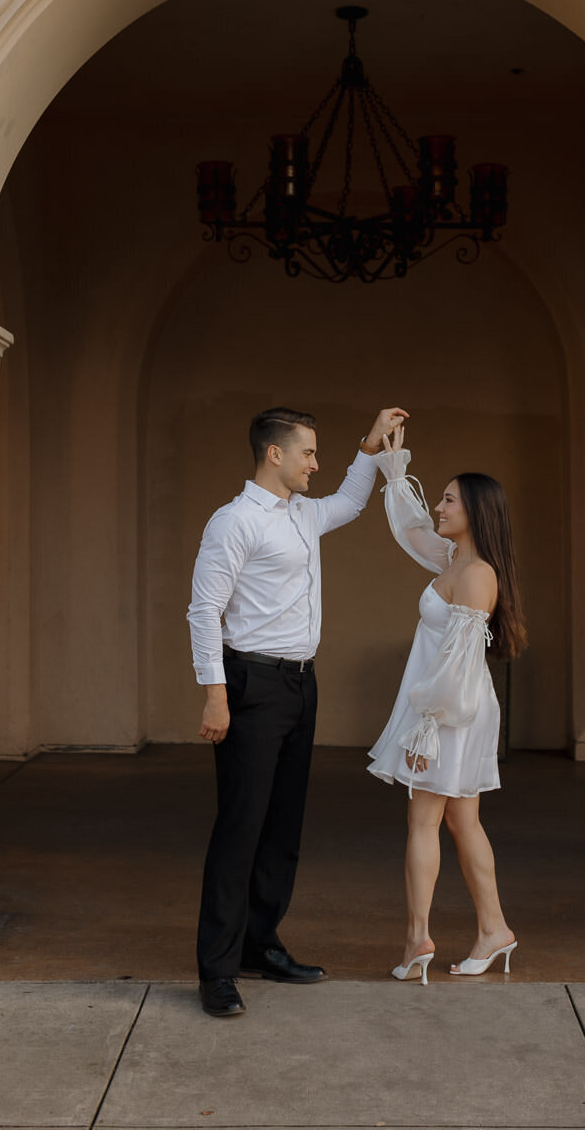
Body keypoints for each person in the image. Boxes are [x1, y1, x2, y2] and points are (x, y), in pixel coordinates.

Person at [188, 402, 409, 1018]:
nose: (317, 462)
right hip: (250, 685)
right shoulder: (233, 522)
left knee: (282, 829)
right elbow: (204, 612)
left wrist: (370, 445)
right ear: (275, 454)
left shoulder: (303, 514)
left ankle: (262, 945)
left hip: (300, 686)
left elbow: (353, 501)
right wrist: (216, 695)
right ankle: (217, 971)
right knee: (240, 829)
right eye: (309, 452)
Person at [368, 426, 526, 983]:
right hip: (444, 707)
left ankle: (417, 940)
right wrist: (390, 463)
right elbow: (410, 529)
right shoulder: (453, 557)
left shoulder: (477, 574)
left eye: (449, 498)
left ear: (476, 512)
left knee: (424, 819)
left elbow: (460, 667)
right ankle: (494, 928)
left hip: (450, 710)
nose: (438, 504)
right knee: (462, 820)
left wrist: (426, 724)